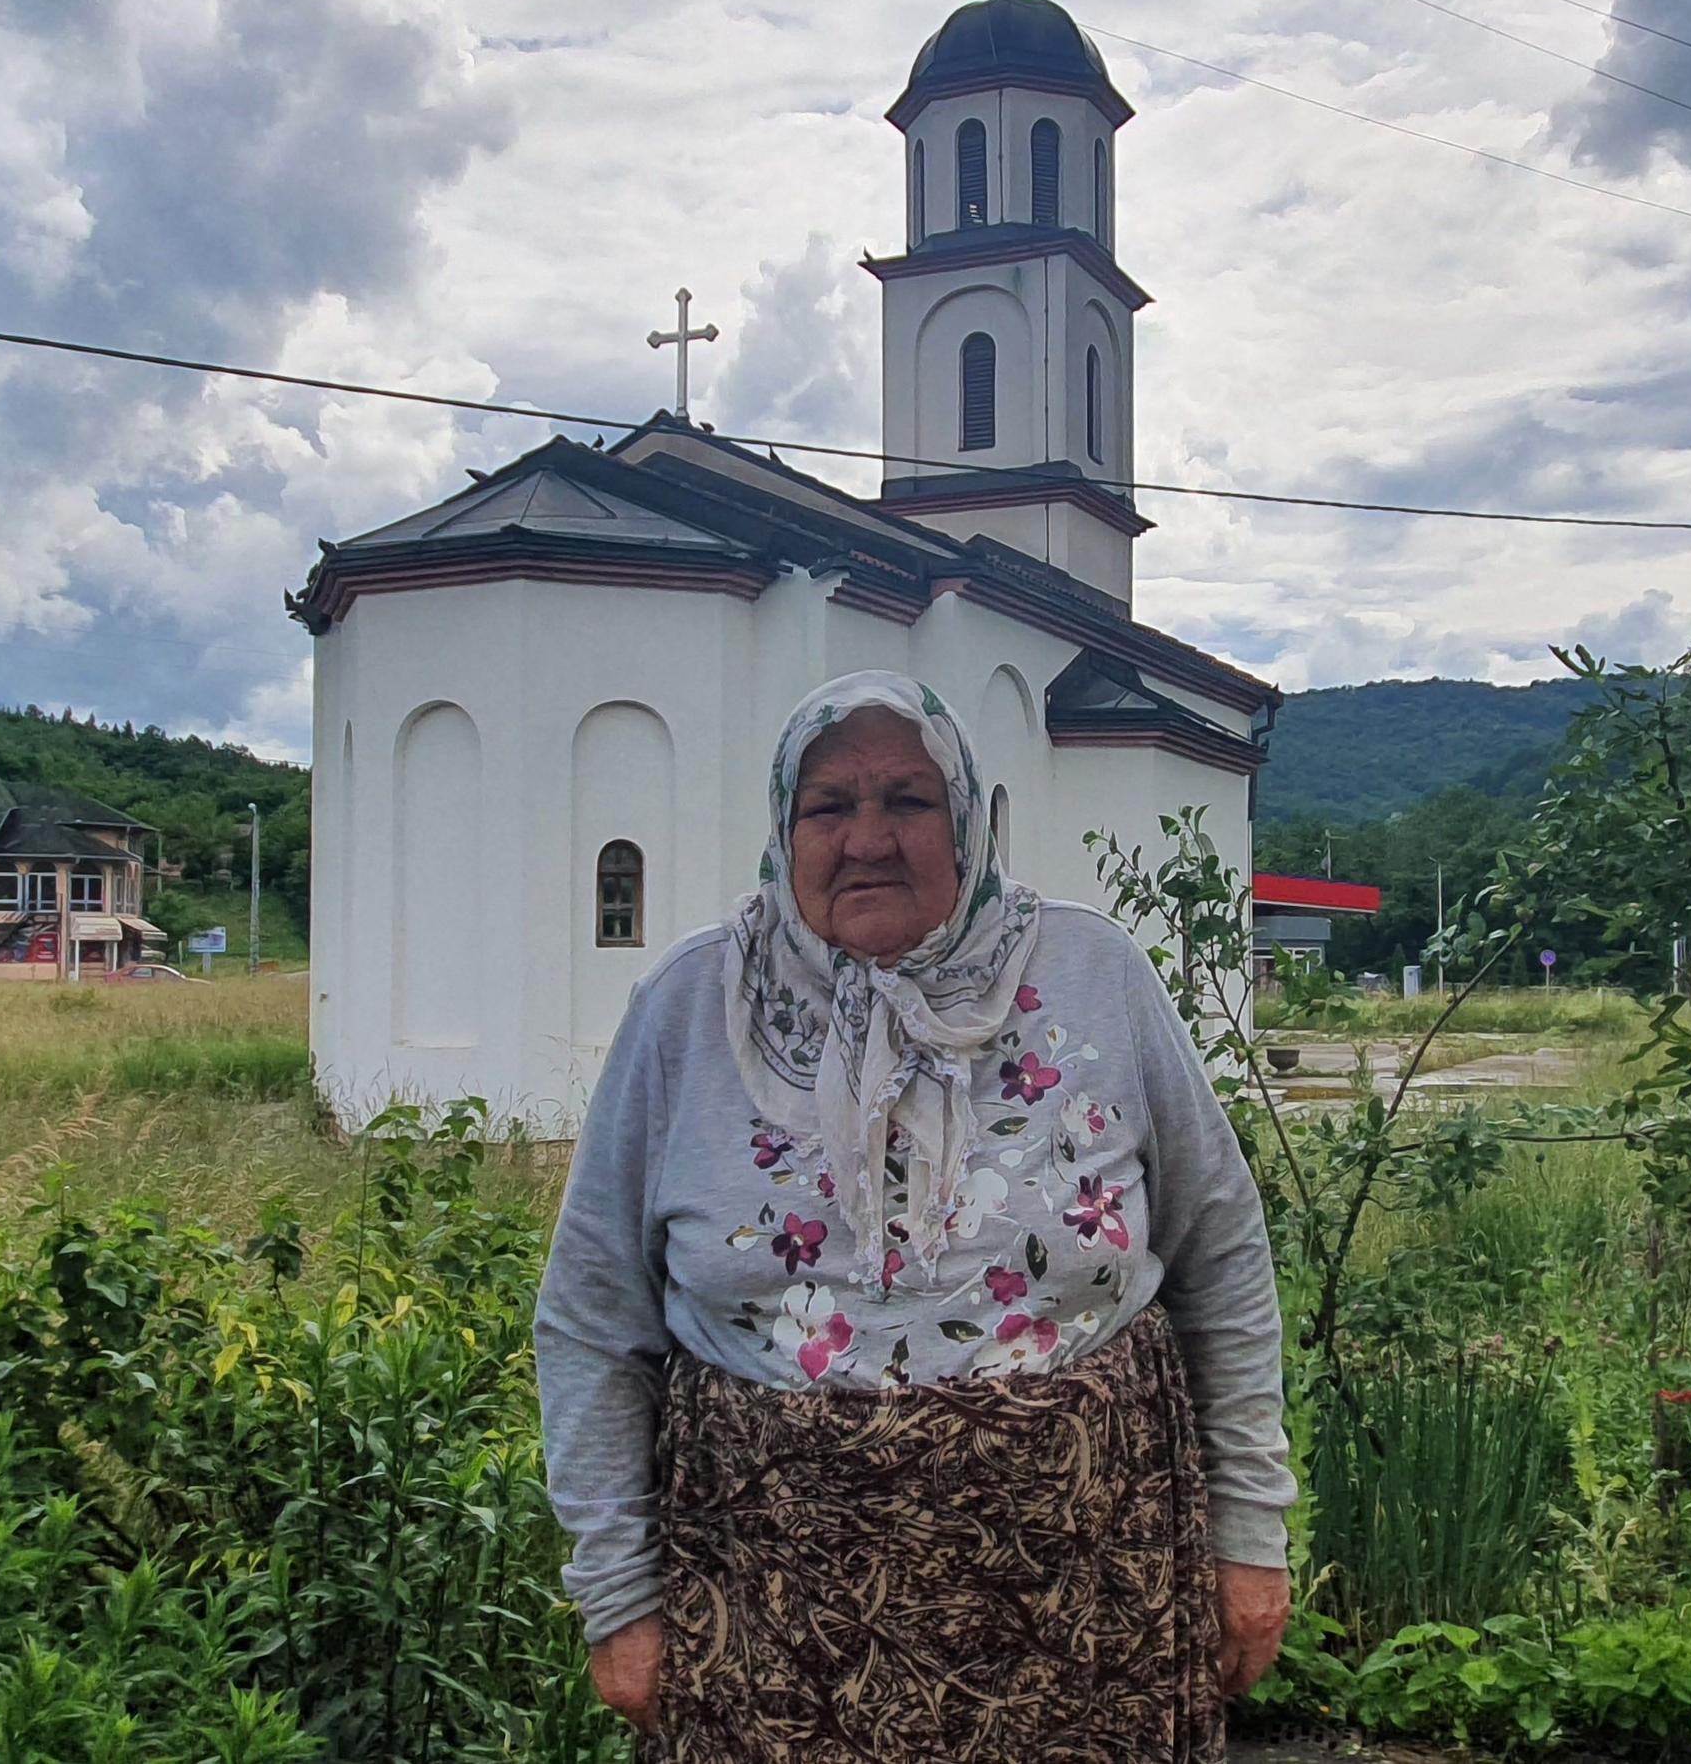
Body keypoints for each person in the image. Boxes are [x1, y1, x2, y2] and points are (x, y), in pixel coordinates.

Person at [536, 670, 1296, 1762]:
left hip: (1089, 1596)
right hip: (765, 1611)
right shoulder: (689, 1010)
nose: (868, 838)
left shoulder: (1096, 976)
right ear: (783, 826)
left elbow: (1222, 1258)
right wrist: (618, 1594)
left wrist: (1248, 1532)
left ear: (970, 819)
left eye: (908, 799)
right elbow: (591, 1317)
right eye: (829, 806)